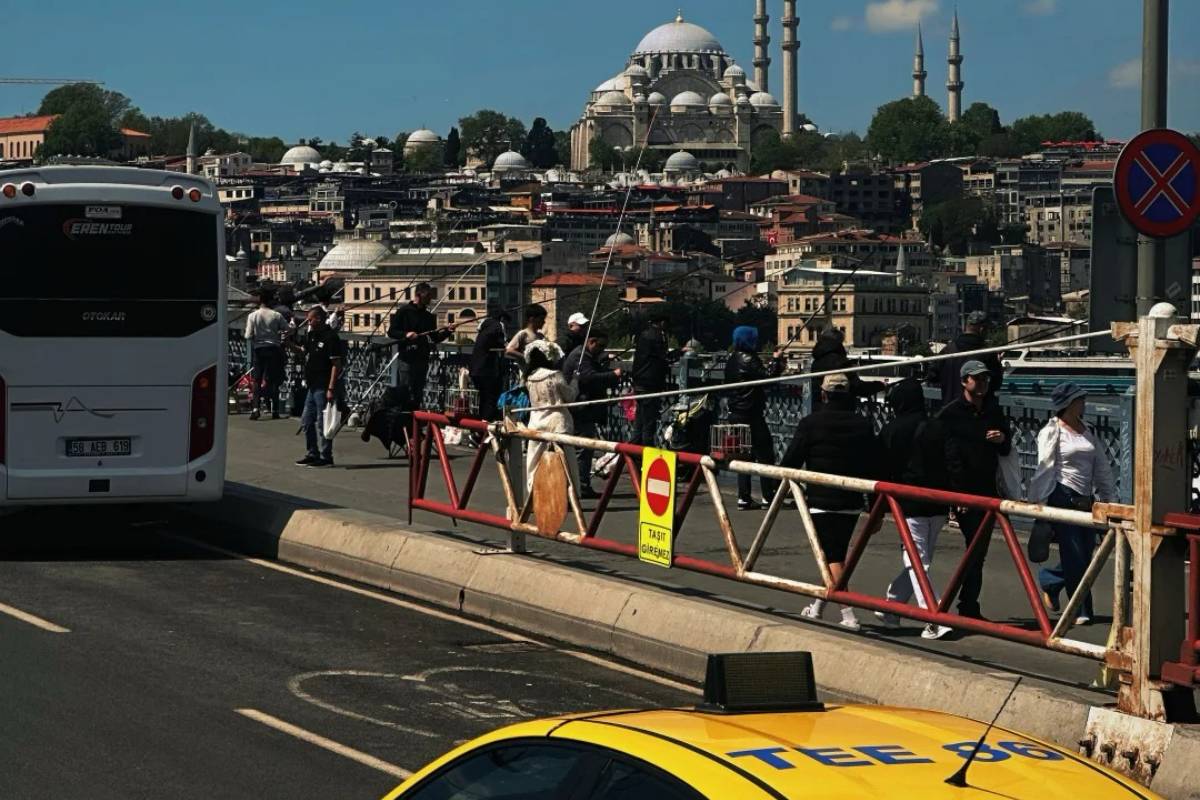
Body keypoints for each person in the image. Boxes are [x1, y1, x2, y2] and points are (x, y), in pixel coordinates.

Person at [784, 373, 883, 631]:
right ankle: (817, 607)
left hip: (820, 498)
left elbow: (791, 461)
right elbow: (873, 467)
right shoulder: (862, 425)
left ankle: (848, 613)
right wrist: (875, 507)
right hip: (852, 499)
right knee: (832, 554)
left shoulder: (810, 423)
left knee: (831, 555)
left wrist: (776, 488)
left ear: (823, 394)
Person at [1028, 383, 1117, 626]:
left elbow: (1101, 467)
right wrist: (1038, 501)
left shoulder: (1087, 430)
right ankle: (1080, 608)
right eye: (1079, 399)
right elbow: (1045, 466)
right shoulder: (1052, 431)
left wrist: (1108, 497)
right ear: (1068, 403)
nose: (1083, 403)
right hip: (1062, 494)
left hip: (1085, 499)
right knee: (1074, 553)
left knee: (1086, 555)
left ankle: (1051, 580)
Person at [935, 359, 1012, 621]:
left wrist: (1002, 439)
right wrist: (958, 495)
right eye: (977, 379)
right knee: (975, 548)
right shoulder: (951, 414)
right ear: (964, 382)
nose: (982, 383)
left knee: (978, 550)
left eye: (985, 379)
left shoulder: (993, 409)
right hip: (964, 491)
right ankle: (962, 604)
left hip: (989, 489)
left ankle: (967, 603)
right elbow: (948, 457)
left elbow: (1007, 444)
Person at [876, 377, 952, 640]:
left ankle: (928, 615)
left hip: (906, 501)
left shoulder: (892, 429)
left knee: (917, 559)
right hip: (938, 500)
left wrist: (876, 505)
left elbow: (882, 467)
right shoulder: (938, 426)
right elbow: (950, 462)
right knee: (921, 558)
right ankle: (926, 610)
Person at [723, 325, 784, 510]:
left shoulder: (731, 359)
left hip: (735, 413)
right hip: (751, 414)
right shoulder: (750, 359)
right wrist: (776, 361)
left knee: (743, 456)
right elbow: (767, 377)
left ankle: (744, 497)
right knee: (765, 454)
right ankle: (768, 496)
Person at [562, 329, 622, 498]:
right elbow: (588, 377)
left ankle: (578, 484)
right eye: (600, 346)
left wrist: (603, 359)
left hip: (580, 408)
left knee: (582, 447)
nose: (602, 349)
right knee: (583, 448)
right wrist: (613, 375)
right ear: (592, 342)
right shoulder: (580, 357)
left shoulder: (584, 355)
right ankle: (581, 485)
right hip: (580, 408)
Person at [521, 339, 580, 493]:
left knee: (535, 460)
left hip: (536, 421)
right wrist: (575, 380)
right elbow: (570, 396)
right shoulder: (554, 375)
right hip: (557, 422)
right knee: (564, 461)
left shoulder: (528, 377)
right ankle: (568, 493)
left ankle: (533, 493)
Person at [293, 306, 344, 468]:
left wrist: (331, 388)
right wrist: (288, 344)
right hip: (312, 385)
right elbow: (303, 351)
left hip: (323, 385)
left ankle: (326, 456)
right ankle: (312, 453)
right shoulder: (311, 335)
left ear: (319, 319)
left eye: (311, 319)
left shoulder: (331, 338)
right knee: (307, 421)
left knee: (324, 423)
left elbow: (336, 364)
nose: (308, 321)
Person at [388, 283, 451, 411]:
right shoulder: (403, 311)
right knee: (405, 391)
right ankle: (403, 420)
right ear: (418, 295)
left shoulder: (428, 316)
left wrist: (448, 331)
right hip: (406, 358)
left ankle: (414, 422)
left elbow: (435, 338)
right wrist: (406, 334)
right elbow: (392, 332)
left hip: (421, 359)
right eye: (427, 296)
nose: (430, 299)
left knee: (418, 393)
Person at [927, 311, 1004, 406]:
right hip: (976, 411)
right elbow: (995, 384)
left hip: (950, 408)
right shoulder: (987, 353)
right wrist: (999, 365)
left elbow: (932, 377)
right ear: (982, 329)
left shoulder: (948, 350)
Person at [630, 311, 678, 447]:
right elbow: (664, 358)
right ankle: (645, 453)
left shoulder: (644, 335)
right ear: (662, 323)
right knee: (649, 424)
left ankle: (633, 455)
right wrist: (680, 352)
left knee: (639, 422)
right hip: (650, 385)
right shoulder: (657, 337)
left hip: (639, 383)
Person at [244, 289, 288, 420]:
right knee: (273, 380)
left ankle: (256, 408)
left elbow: (248, 335)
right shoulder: (276, 315)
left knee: (257, 380)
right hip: (273, 348)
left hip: (258, 349)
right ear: (270, 301)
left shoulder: (253, 316)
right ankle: (275, 410)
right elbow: (288, 329)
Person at [808, 328, 885, 401]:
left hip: (816, 406)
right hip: (839, 406)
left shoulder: (816, 360)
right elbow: (857, 387)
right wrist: (879, 385)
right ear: (839, 342)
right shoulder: (839, 361)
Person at [468, 301, 509, 425]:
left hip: (475, 368)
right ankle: (485, 426)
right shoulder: (498, 326)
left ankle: (479, 427)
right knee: (491, 397)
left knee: (483, 397)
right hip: (487, 369)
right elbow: (504, 345)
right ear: (501, 317)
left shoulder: (484, 325)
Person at [506, 304, 548, 371]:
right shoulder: (523, 334)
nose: (544, 322)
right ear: (532, 319)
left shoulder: (541, 336)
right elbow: (509, 350)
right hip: (527, 375)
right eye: (541, 319)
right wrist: (526, 356)